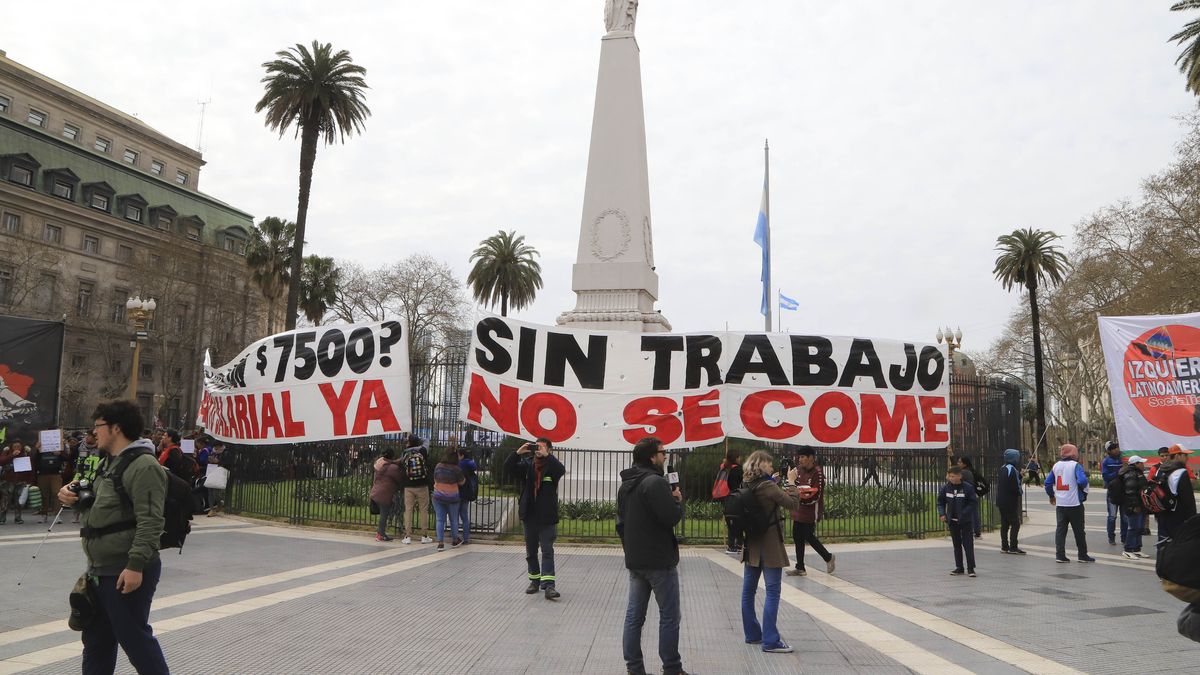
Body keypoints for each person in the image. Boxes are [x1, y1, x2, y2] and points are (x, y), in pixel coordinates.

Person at [58, 400, 170, 675]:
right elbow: (102, 505)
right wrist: (71, 497)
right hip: (99, 570)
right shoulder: (109, 463)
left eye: (98, 427)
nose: (94, 433)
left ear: (116, 428)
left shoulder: (144, 466)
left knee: (135, 642)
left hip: (124, 570)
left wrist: (135, 566)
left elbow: (151, 521)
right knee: (96, 643)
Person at [617, 436, 688, 675]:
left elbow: (620, 524)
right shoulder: (654, 482)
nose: (665, 456)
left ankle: (634, 668)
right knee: (669, 616)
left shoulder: (627, 484)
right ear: (652, 457)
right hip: (659, 561)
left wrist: (631, 550)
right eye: (662, 452)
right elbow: (670, 518)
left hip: (636, 561)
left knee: (634, 617)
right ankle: (672, 668)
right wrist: (677, 501)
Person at [740, 450, 801, 654]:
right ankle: (771, 640)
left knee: (748, 591)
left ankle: (752, 634)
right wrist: (792, 482)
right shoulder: (767, 486)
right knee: (773, 591)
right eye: (769, 465)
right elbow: (792, 504)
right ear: (761, 466)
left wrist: (774, 481)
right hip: (769, 545)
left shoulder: (748, 483)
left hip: (752, 545)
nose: (772, 468)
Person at [505, 437, 566, 600]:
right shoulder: (527, 464)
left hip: (546, 516)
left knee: (547, 550)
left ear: (549, 450)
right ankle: (534, 581)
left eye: (542, 447)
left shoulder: (552, 466)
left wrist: (548, 456)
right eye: (537, 447)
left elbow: (561, 470)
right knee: (531, 551)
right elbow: (508, 468)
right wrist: (517, 453)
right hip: (529, 515)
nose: (538, 450)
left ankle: (549, 586)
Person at [785, 446, 835, 576]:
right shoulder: (799, 470)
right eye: (799, 457)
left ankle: (828, 557)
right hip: (798, 509)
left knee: (808, 536)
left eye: (803, 457)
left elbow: (816, 496)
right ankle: (800, 567)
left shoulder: (817, 473)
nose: (800, 460)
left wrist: (801, 499)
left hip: (811, 510)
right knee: (797, 536)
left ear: (811, 458)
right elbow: (791, 484)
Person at [1045, 443, 1094, 563]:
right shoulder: (1075, 465)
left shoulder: (1056, 466)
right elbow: (1082, 480)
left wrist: (1052, 495)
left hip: (1061, 503)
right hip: (1074, 503)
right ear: (1073, 453)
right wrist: (1082, 489)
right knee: (1079, 530)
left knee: (1061, 530)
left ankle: (1060, 555)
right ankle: (1082, 555)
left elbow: (1047, 482)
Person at [937, 465, 978, 576]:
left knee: (968, 544)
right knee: (956, 544)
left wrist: (964, 514)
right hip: (952, 521)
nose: (950, 478)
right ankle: (959, 567)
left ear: (959, 476)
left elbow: (973, 503)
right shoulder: (946, 488)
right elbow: (940, 502)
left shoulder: (968, 488)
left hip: (965, 521)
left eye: (953, 476)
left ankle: (971, 568)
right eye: (949, 476)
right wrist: (942, 514)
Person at [1156, 444, 1197, 544]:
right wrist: (1192, 518)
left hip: (1163, 512)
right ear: (1178, 456)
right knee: (1179, 544)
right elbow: (1188, 499)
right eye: (1185, 455)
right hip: (1178, 515)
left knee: (1163, 542)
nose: (1187, 458)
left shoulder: (1161, 470)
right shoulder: (1182, 472)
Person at [399, 435, 433, 544]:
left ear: (408, 443)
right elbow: (427, 440)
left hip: (408, 485)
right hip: (422, 484)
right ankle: (424, 535)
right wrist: (418, 438)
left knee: (408, 510)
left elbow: (402, 465)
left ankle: (407, 536)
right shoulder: (423, 450)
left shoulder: (405, 453)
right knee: (424, 510)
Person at [432, 448, 466, 551]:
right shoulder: (456, 469)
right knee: (454, 519)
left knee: (440, 519)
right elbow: (462, 482)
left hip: (438, 496)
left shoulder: (438, 466)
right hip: (452, 497)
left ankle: (440, 543)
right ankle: (455, 540)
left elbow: (435, 478)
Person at [1118, 455, 1149, 559]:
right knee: (1133, 527)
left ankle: (1136, 549)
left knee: (1139, 527)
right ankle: (1128, 549)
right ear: (1136, 464)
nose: (1143, 464)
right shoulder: (1131, 474)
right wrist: (1134, 506)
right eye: (1141, 463)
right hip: (1133, 506)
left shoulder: (1137, 473)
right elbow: (1130, 492)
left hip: (1140, 504)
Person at [369, 449, 404, 542]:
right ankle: (380, 535)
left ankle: (381, 533)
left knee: (384, 514)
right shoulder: (393, 468)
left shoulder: (380, 463)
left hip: (375, 492)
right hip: (384, 494)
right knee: (384, 515)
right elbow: (399, 478)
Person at [995, 448, 1025, 554]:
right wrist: (1020, 491)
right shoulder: (1012, 469)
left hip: (1001, 501)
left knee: (1005, 524)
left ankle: (1004, 546)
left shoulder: (1003, 468)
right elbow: (1015, 486)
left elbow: (1009, 481)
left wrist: (1020, 475)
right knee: (1015, 523)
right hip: (1009, 501)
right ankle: (1013, 547)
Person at [33, 432, 67, 524]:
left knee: (56, 493)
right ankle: (44, 515)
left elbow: (67, 458)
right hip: (43, 474)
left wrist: (60, 453)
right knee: (44, 495)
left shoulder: (59, 446)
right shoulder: (40, 446)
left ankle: (57, 515)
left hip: (56, 473)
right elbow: (34, 459)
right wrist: (36, 449)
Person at [72, 432, 103, 525]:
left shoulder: (101, 449)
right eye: (86, 436)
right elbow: (76, 461)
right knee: (78, 495)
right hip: (83, 475)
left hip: (96, 476)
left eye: (89, 436)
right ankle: (77, 514)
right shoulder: (80, 447)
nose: (86, 438)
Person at [0, 439, 35, 524]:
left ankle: (18, 518)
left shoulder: (26, 453)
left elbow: (31, 467)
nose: (17, 448)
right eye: (15, 446)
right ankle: (2, 518)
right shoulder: (7, 452)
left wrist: (30, 481)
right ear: (12, 447)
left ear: (22, 447)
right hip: (8, 481)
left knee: (18, 501)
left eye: (18, 446)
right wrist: (12, 455)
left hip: (21, 481)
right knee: (5, 500)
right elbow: (1, 461)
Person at [716, 449, 744, 554]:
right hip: (738, 498)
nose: (740, 459)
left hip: (727, 497)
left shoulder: (725, 468)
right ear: (736, 458)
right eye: (738, 457)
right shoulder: (739, 469)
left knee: (730, 522)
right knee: (740, 522)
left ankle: (731, 545)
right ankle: (739, 545)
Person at [1101, 440, 1127, 546]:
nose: (1116, 449)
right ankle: (1111, 537)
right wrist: (1119, 471)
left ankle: (1124, 537)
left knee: (1125, 517)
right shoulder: (1106, 462)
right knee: (1112, 516)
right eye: (1113, 448)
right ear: (1109, 451)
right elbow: (1106, 476)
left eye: (1116, 447)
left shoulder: (1124, 459)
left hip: (1124, 491)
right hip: (1113, 492)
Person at [456, 447, 478, 545]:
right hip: (467, 492)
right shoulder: (470, 463)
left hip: (457, 492)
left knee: (455, 516)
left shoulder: (459, 464)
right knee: (464, 515)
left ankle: (455, 536)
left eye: (458, 455)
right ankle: (466, 538)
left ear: (462, 455)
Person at [957, 456, 983, 538]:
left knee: (969, 513)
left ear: (964, 464)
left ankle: (970, 531)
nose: (958, 463)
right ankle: (977, 531)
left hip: (967, 495)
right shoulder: (970, 470)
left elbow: (955, 477)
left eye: (960, 462)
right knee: (974, 513)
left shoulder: (964, 472)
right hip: (973, 494)